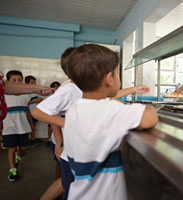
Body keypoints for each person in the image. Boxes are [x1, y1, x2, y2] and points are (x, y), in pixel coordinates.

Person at [32, 46, 151, 200]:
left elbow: (108, 96)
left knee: (72, 184)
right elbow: (39, 112)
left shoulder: (85, 89)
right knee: (70, 184)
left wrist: (133, 89)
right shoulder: (69, 89)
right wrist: (69, 127)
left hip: (79, 149)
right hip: (71, 149)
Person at [64, 43, 158, 200]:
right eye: (117, 73)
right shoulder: (109, 110)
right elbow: (150, 117)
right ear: (110, 79)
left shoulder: (75, 109)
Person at [2, 70, 52, 182]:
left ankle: (17, 156)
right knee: (12, 148)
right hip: (9, 127)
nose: (17, 82)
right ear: (7, 82)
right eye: (13, 80)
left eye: (19, 80)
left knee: (23, 147)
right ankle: (12, 170)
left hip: (23, 126)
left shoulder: (26, 95)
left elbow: (27, 111)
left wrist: (31, 123)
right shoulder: (4, 95)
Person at [25, 75, 43, 147]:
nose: (34, 84)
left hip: (34, 112)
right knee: (31, 126)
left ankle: (33, 138)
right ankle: (32, 140)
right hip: (29, 112)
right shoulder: (26, 92)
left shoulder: (34, 91)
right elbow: (25, 103)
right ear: (27, 83)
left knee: (34, 125)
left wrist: (39, 100)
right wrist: (37, 100)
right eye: (32, 82)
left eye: (34, 82)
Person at [46, 81, 61, 148]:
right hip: (51, 115)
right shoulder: (50, 96)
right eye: (54, 87)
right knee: (50, 127)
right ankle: (49, 139)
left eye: (57, 87)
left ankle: (58, 141)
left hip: (58, 115)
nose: (56, 88)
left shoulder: (61, 95)